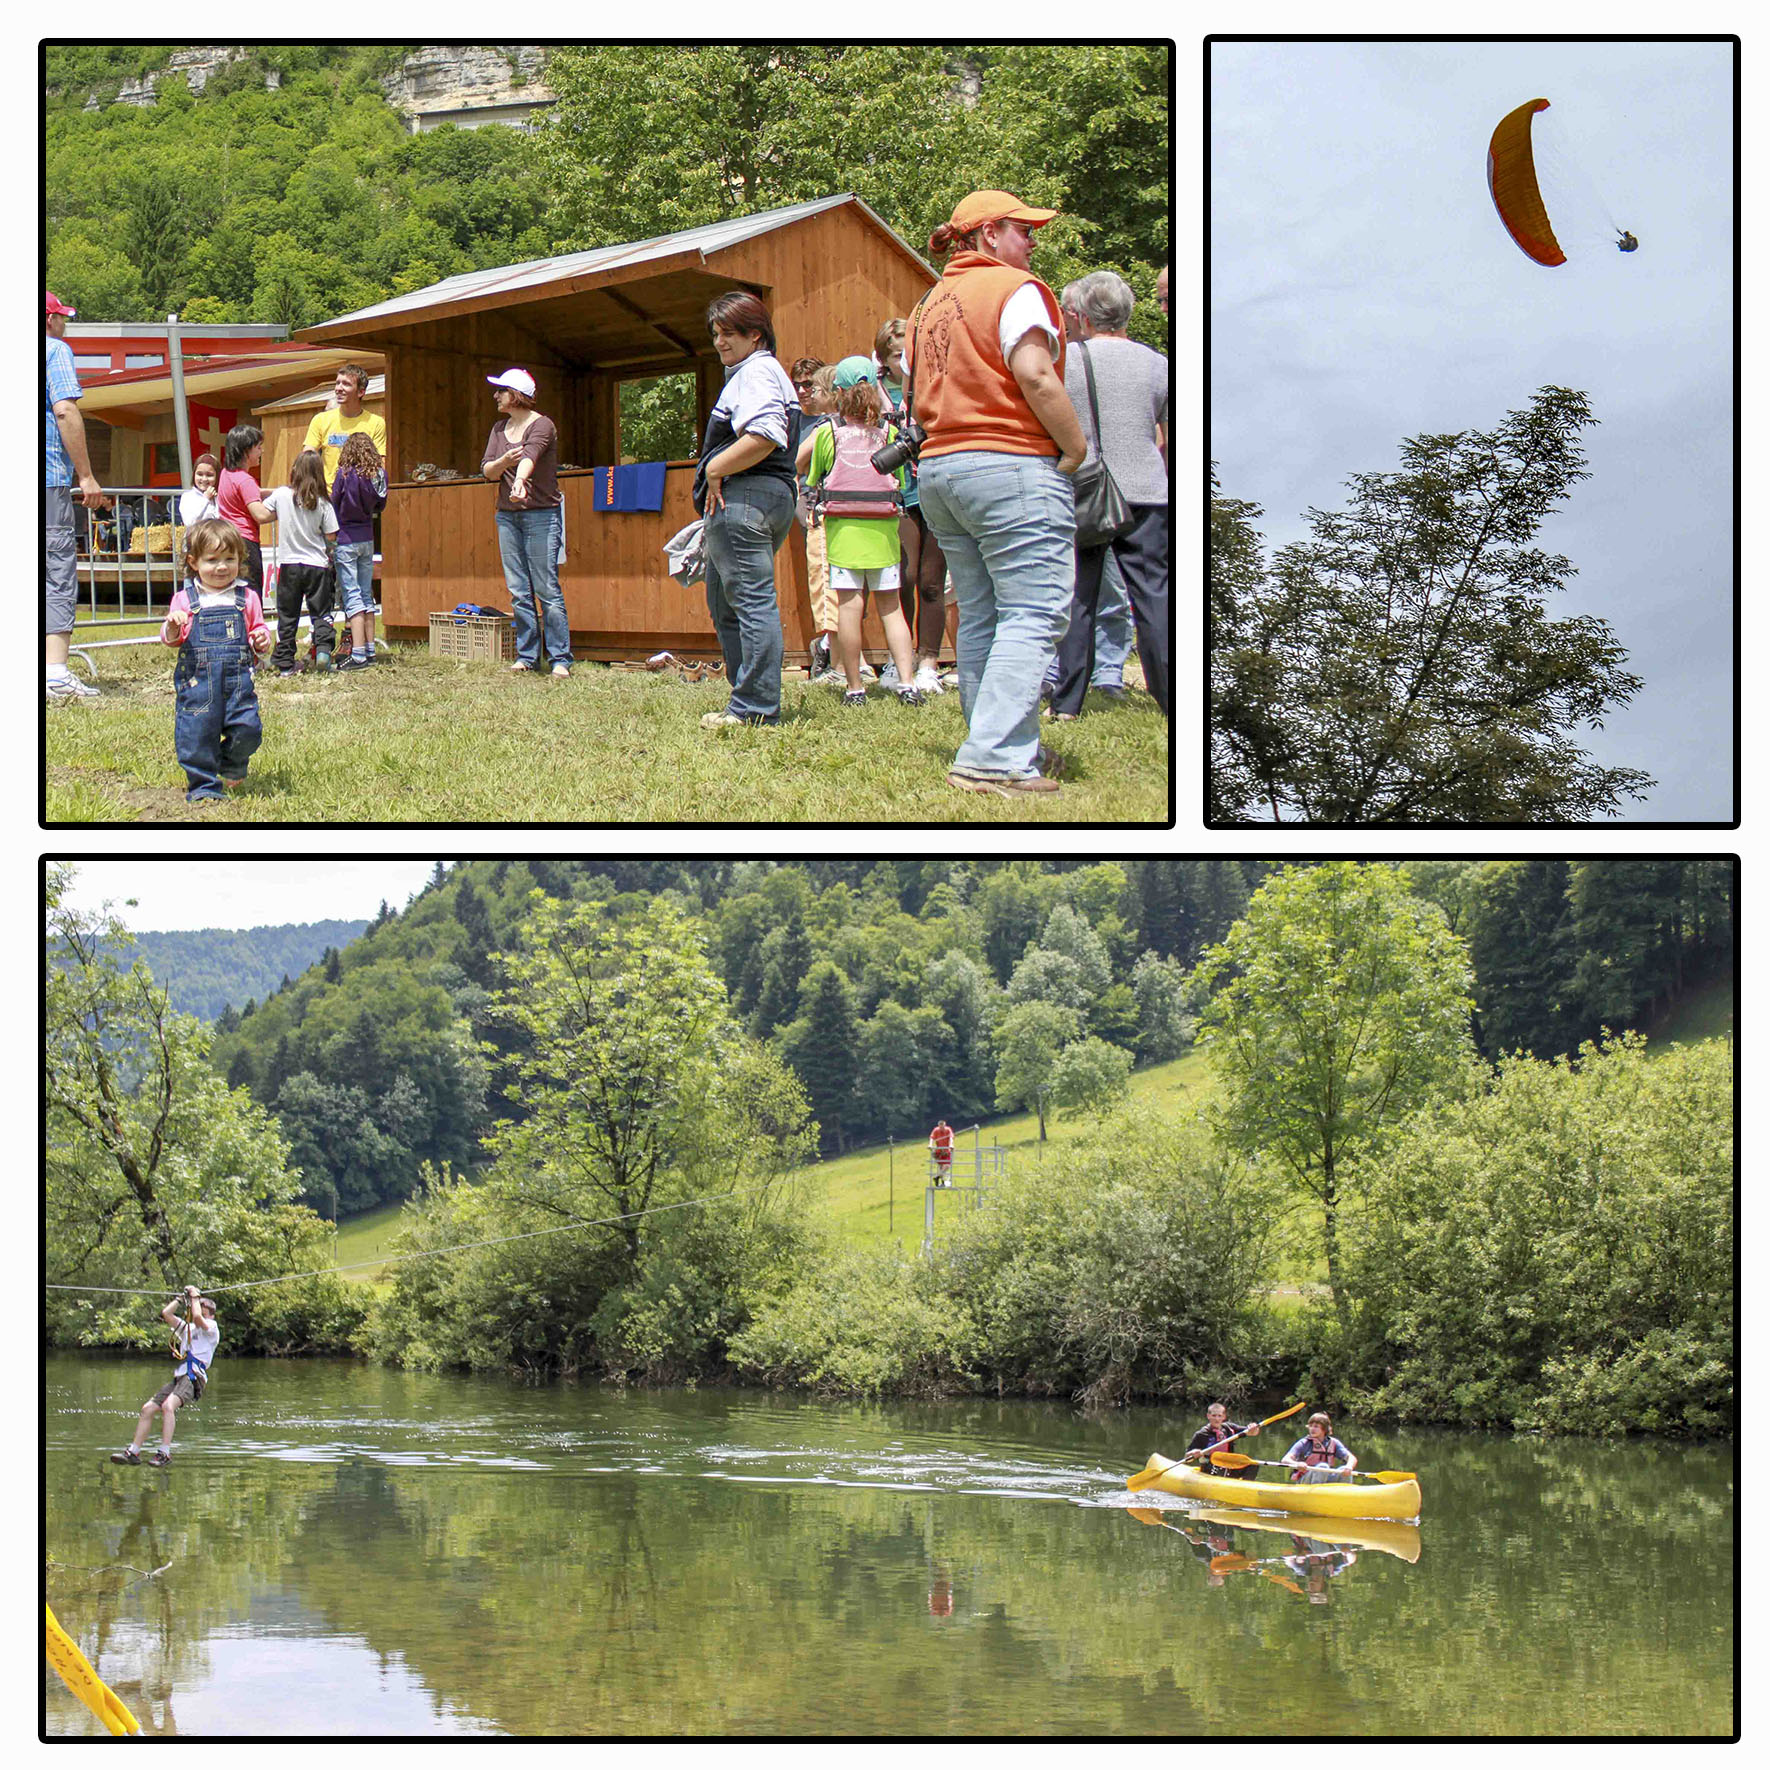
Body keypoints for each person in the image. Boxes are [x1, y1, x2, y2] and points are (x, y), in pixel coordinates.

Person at [904, 190, 1087, 795]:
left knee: (981, 614)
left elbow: (914, 395)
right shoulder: (1016, 290)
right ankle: (994, 758)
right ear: (988, 236)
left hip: (938, 472)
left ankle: (1003, 744)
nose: (1032, 242)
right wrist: (1075, 446)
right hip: (1009, 464)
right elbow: (1035, 373)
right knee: (1033, 611)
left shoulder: (928, 303)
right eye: (1023, 230)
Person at [1048, 270, 1170, 721]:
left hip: (1085, 489)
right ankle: (1170, 696)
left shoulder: (1067, 361)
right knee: (1154, 597)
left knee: (1078, 596)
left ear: (1080, 315)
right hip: (1147, 492)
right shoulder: (1157, 363)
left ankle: (1067, 702)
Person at [694, 292, 801, 729]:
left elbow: (766, 434)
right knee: (724, 601)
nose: (719, 342)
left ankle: (755, 707)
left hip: (746, 499)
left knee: (750, 603)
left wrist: (716, 467)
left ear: (755, 334)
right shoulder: (756, 372)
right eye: (716, 333)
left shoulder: (757, 371)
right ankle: (746, 696)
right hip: (762, 499)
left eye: (728, 333)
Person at [805, 356, 921, 709]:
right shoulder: (889, 436)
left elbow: (814, 480)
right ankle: (907, 683)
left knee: (849, 608)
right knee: (892, 609)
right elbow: (899, 482)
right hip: (882, 532)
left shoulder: (827, 434)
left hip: (843, 533)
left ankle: (854, 687)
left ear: (838, 393)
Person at [160, 518, 273, 802]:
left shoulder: (247, 597)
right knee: (197, 733)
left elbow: (257, 629)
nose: (222, 567)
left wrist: (261, 640)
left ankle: (232, 762)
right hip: (198, 683)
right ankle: (204, 785)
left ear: (239, 559)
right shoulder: (184, 600)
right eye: (212, 560)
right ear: (194, 562)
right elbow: (171, 639)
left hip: (238, 682)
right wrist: (173, 626)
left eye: (229, 559)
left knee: (249, 728)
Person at [481, 367, 572, 677]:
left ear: (517, 395)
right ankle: (527, 656)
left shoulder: (542, 425)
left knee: (547, 588)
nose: (496, 396)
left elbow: (531, 455)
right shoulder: (498, 429)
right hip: (507, 515)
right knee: (519, 590)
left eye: (501, 391)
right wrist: (503, 463)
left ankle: (560, 658)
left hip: (541, 515)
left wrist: (519, 479)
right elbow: (488, 471)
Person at [876, 316, 950, 695]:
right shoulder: (876, 391)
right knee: (902, 578)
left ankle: (929, 663)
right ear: (883, 358)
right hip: (897, 494)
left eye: (907, 352)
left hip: (933, 489)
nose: (901, 360)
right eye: (893, 354)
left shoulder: (935, 383)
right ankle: (899, 658)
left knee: (931, 581)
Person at [45, 290, 112, 701]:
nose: (64, 324)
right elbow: (65, 410)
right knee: (56, 566)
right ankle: (54, 671)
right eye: (62, 317)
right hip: (48, 477)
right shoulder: (55, 350)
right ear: (49, 319)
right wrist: (86, 475)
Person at [111, 1287, 219, 1467]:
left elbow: (199, 1318)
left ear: (212, 1316)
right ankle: (133, 1452)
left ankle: (164, 1453)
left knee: (168, 1406)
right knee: (147, 1409)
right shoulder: (187, 1328)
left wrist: (196, 1296)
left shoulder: (212, 1328)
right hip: (181, 1375)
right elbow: (166, 1313)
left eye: (205, 1312)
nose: (198, 1313)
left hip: (195, 1377)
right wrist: (180, 1298)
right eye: (197, 1309)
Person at [263, 448, 339, 675]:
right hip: (316, 565)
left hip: (289, 565)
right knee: (321, 612)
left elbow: (264, 512)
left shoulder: (281, 495)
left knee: (288, 614)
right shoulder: (323, 502)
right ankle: (323, 650)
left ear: (294, 470)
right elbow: (332, 535)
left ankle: (285, 660)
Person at [790, 357, 840, 680]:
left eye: (810, 384)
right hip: (807, 503)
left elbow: (798, 460)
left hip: (835, 504)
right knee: (824, 574)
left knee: (836, 578)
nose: (803, 390)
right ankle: (835, 650)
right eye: (799, 385)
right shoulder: (792, 419)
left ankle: (838, 653)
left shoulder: (829, 421)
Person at [331, 431, 387, 670]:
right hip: (368, 537)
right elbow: (382, 504)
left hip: (346, 537)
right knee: (367, 594)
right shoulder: (378, 474)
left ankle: (358, 654)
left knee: (352, 596)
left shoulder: (344, 473)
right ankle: (371, 649)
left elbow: (334, 500)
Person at [302, 363, 386, 486]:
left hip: (359, 496)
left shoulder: (376, 423)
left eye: (346, 384)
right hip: (327, 495)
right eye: (337, 383)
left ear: (361, 392)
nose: (339, 388)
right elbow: (307, 455)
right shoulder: (320, 419)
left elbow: (379, 465)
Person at [217, 424, 275, 594]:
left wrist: (278, 491)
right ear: (246, 450)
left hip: (229, 538)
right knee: (251, 591)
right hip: (246, 542)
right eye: (258, 447)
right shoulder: (245, 480)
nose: (261, 452)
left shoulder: (226, 474)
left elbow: (249, 494)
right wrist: (285, 508)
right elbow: (261, 515)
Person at [1180, 1402, 1261, 1479]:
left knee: (1253, 1464)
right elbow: (1187, 1458)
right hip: (1210, 1469)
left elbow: (1253, 1433)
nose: (1217, 1419)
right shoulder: (1201, 1434)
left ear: (1224, 1416)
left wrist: (1253, 1427)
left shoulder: (1229, 1428)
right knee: (1221, 1469)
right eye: (1214, 1415)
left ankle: (1244, 1487)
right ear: (1208, 1416)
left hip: (1228, 1465)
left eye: (1219, 1416)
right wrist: (1193, 1452)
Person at [1281, 1413, 1358, 1484]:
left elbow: (1351, 1458)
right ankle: (1315, 1494)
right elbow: (1285, 1460)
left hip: (1327, 1478)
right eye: (1310, 1426)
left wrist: (1349, 1467)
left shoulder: (1334, 1443)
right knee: (1322, 1467)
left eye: (1316, 1426)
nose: (1312, 1429)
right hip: (1306, 1480)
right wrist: (1297, 1464)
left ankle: (1344, 1495)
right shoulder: (1304, 1443)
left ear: (1324, 1429)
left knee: (1343, 1469)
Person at [179, 453, 220, 528]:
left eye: (209, 475)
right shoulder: (187, 497)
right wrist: (205, 499)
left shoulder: (220, 496)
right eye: (200, 474)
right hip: (196, 538)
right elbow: (189, 522)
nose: (204, 479)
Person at [928, 1118, 955, 1186]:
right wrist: (930, 1145)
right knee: (941, 1167)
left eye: (943, 1127)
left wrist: (951, 1145)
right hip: (939, 1151)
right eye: (940, 1127)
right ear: (938, 1126)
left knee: (947, 1166)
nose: (942, 1129)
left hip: (946, 1151)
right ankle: (942, 1182)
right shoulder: (936, 1130)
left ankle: (937, 1177)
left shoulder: (948, 1129)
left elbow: (951, 1138)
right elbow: (932, 1137)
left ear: (944, 1125)